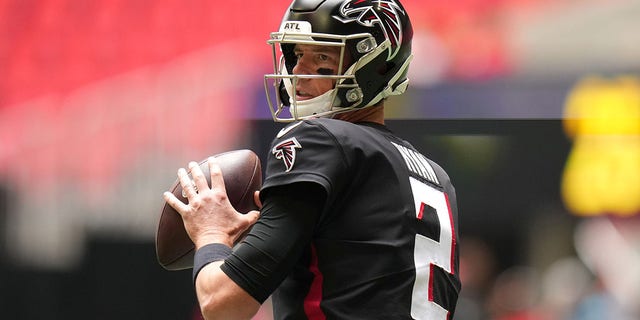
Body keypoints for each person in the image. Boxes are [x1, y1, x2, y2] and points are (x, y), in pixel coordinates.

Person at [163, 0, 461, 319]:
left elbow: (222, 304)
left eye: (321, 56)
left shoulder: (319, 139)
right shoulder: (436, 176)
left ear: (378, 65)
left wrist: (211, 232)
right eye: (296, 54)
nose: (299, 73)